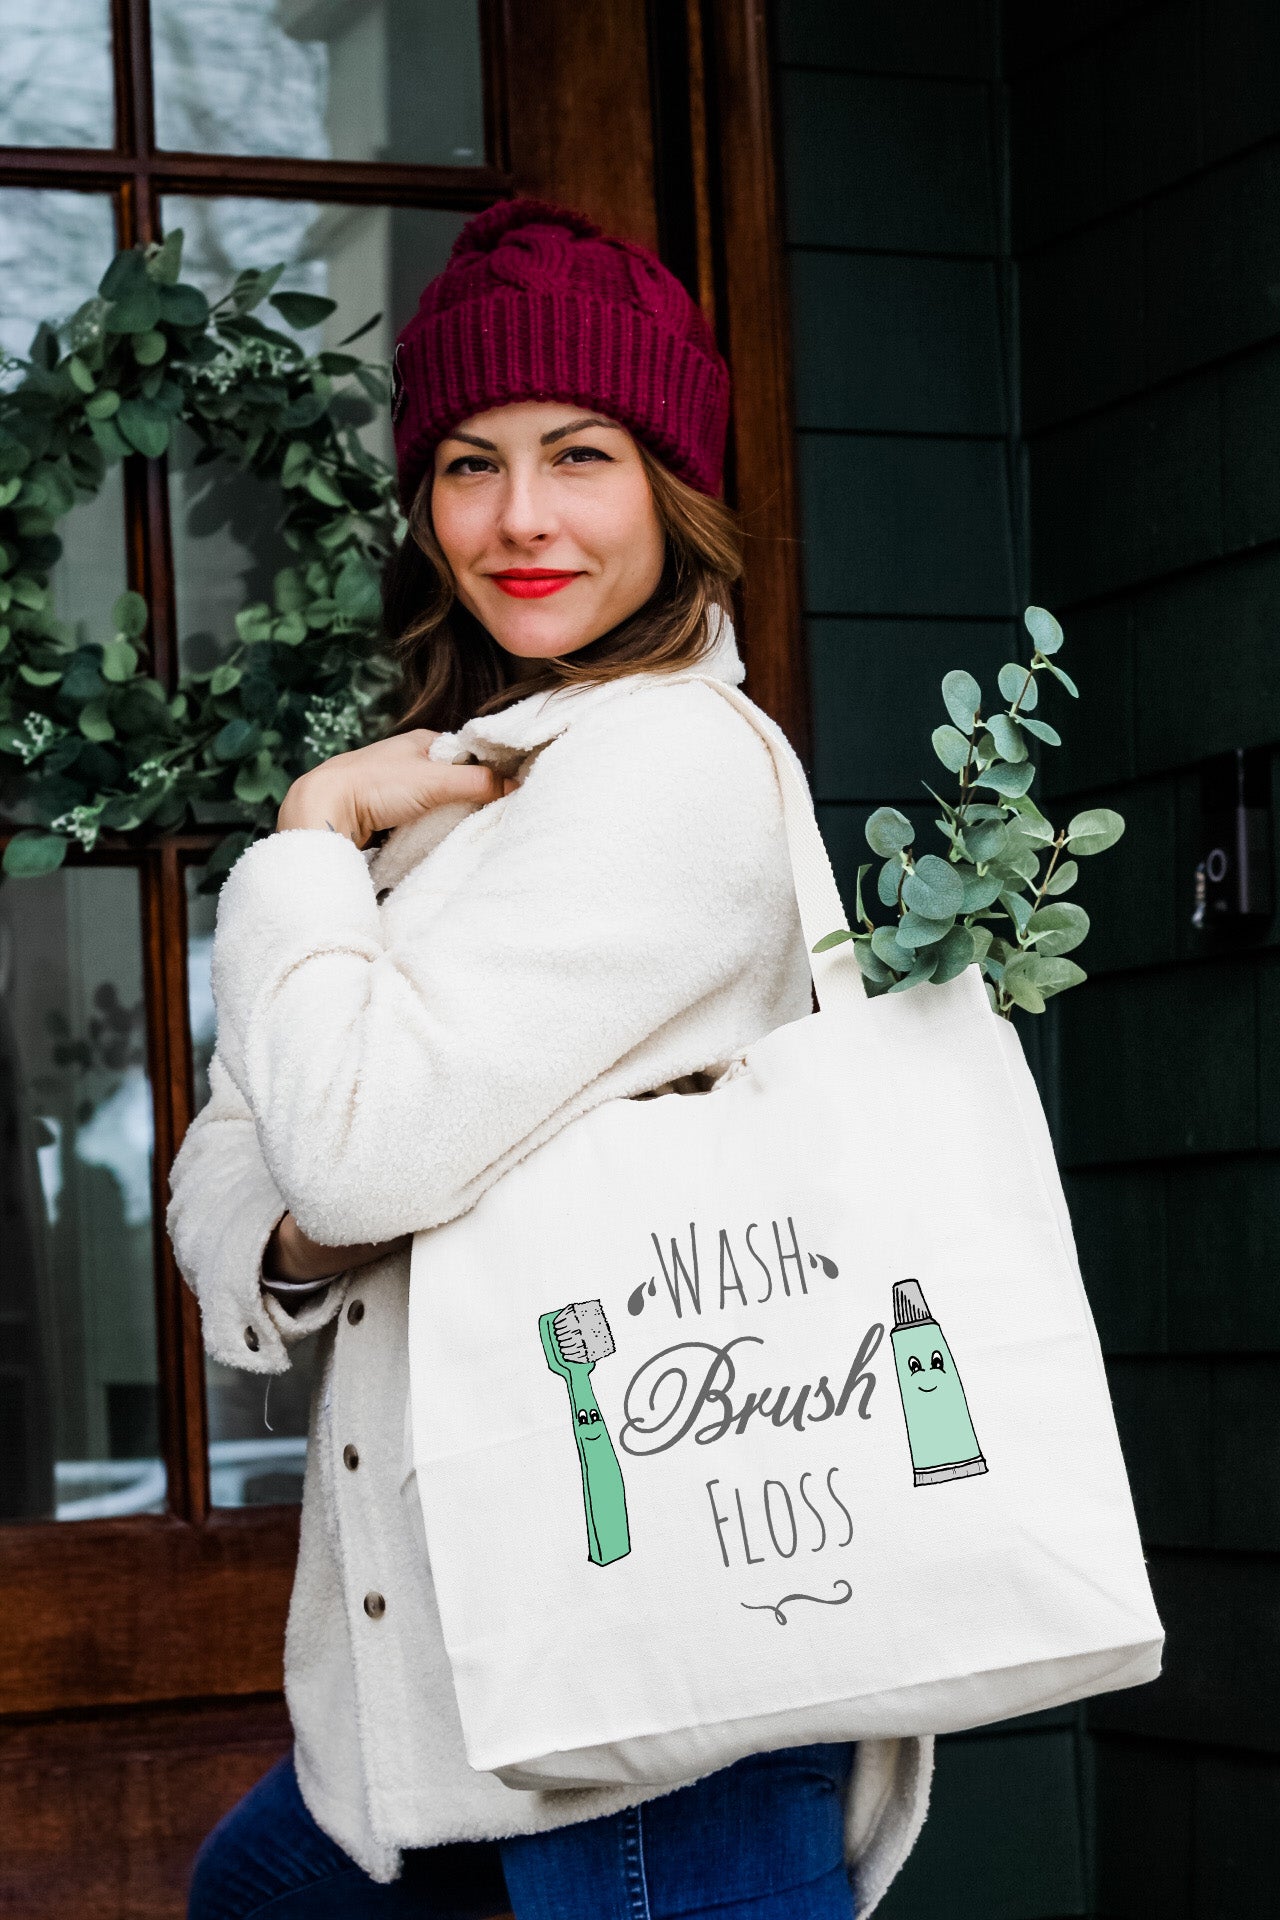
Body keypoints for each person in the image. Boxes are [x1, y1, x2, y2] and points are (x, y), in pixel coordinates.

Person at [171, 199, 932, 1920]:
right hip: (448, 1686)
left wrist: (304, 836)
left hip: (654, 1685)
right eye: (466, 462)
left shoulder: (663, 768)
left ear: (672, 485)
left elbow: (348, 1152)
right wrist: (311, 1204)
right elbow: (237, 1173)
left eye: (578, 454)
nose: (518, 519)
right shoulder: (464, 789)